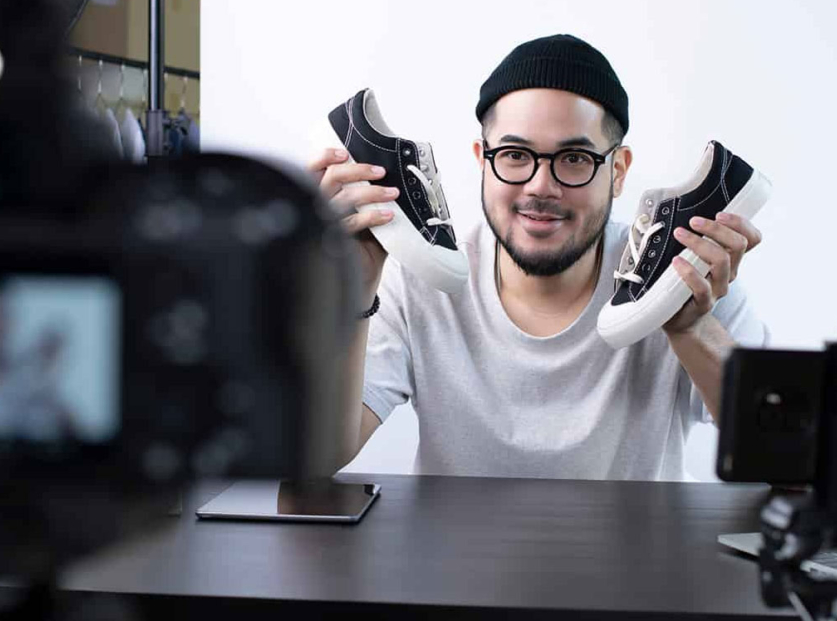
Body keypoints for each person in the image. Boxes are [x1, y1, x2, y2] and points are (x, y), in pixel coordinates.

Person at [310, 34, 766, 480]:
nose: (540, 186)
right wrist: (352, 286)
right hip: (461, 536)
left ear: (618, 171)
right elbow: (313, 462)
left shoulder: (687, 277)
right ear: (482, 160)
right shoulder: (415, 280)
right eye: (515, 154)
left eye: (574, 158)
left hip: (639, 536)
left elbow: (780, 459)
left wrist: (690, 328)